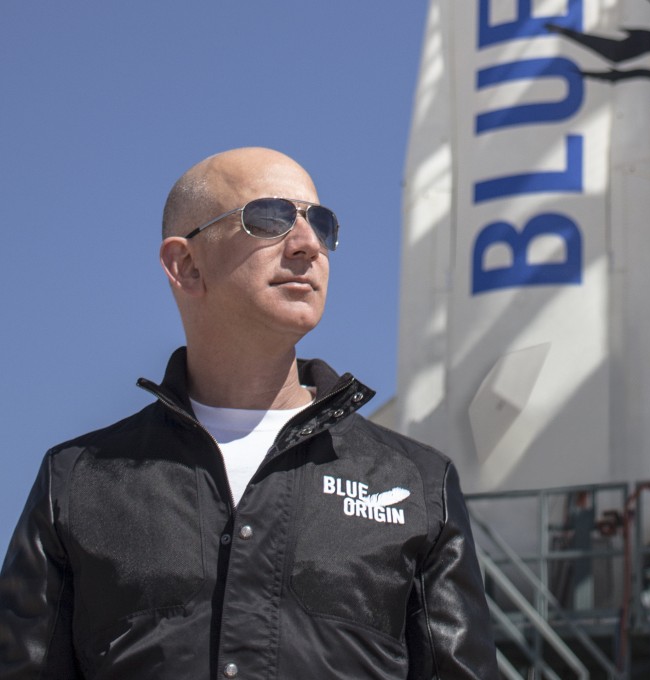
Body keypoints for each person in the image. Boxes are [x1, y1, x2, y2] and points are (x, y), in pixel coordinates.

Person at [0, 147, 499, 679]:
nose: (308, 245)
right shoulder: (78, 483)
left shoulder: (417, 485)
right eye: (272, 217)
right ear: (185, 264)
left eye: (321, 223)